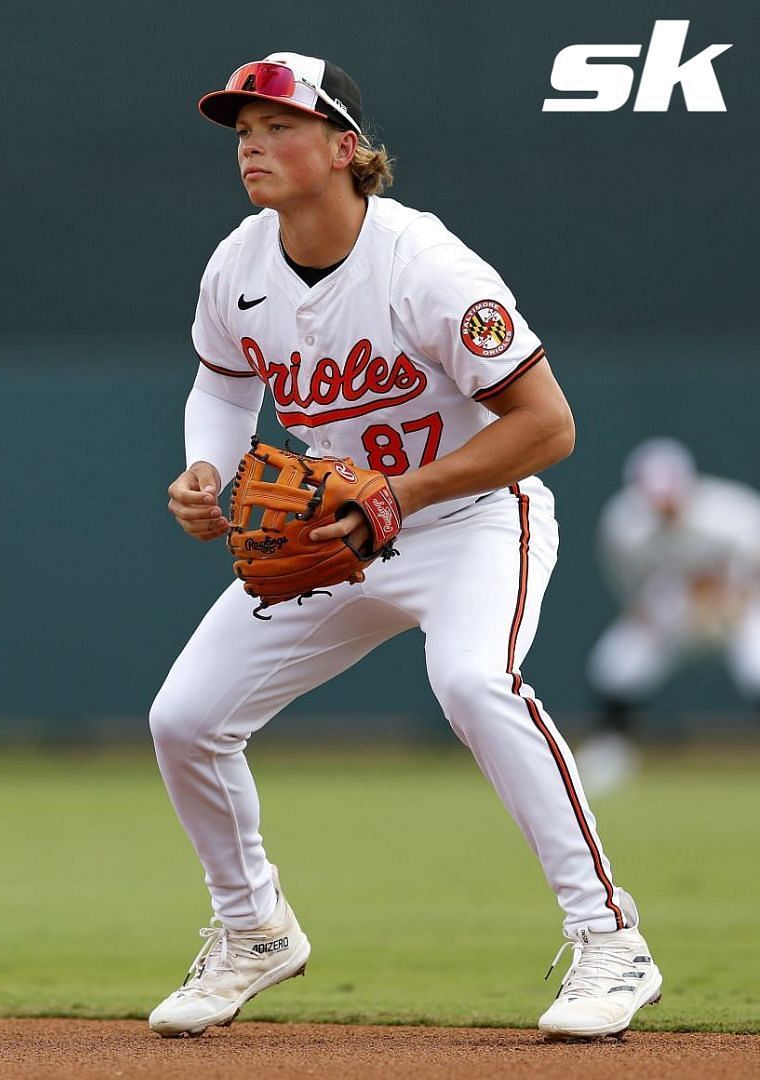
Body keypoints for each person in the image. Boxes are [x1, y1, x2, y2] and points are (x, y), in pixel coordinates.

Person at [147, 52, 658, 1041]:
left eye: (280, 128)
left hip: (471, 518)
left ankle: (609, 939)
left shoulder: (425, 266)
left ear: (347, 148)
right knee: (185, 717)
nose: (254, 148)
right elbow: (222, 385)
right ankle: (254, 929)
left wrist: (406, 493)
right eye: (243, 133)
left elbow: (549, 426)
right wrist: (206, 469)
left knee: (474, 682)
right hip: (339, 531)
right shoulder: (238, 267)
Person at [577, 437, 760, 795]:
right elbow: (633, 587)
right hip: (674, 607)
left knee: (756, 661)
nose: (666, 508)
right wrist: (651, 610)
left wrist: (730, 595)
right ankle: (612, 753)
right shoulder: (624, 526)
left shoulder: (732, 513)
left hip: (735, 605)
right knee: (617, 661)